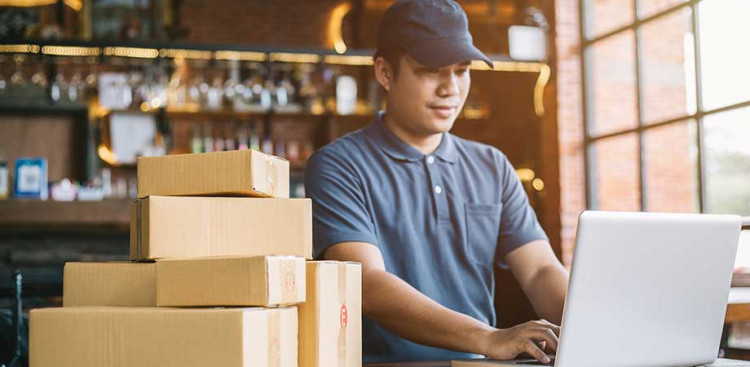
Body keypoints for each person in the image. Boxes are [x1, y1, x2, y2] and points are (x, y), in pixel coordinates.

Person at [304, 0, 568, 363]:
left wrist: (594, 320)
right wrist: (489, 338)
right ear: (385, 73)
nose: (451, 88)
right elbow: (367, 284)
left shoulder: (493, 166)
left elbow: (540, 270)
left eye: (462, 70)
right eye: (431, 70)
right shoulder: (338, 166)